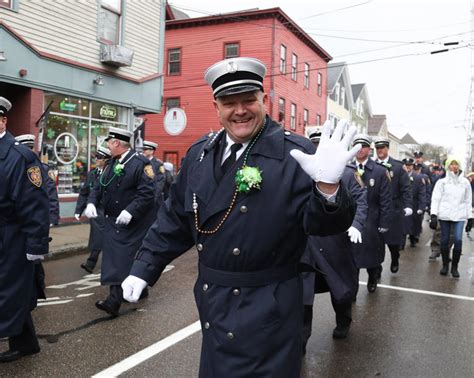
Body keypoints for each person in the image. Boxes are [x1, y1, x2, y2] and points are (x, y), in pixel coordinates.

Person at [121, 57, 360, 377]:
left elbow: (323, 225)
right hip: (214, 302)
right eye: (229, 102)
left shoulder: (297, 154)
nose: (240, 110)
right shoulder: (199, 154)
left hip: (269, 305)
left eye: (249, 100)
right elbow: (175, 219)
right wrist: (143, 267)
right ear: (216, 106)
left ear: (264, 99)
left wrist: (328, 187)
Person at [84, 127, 156, 317]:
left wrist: (130, 210)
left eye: (109, 142)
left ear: (116, 143)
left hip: (132, 222)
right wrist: (91, 202)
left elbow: (148, 193)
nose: (107, 145)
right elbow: (99, 186)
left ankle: (113, 301)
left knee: (121, 258)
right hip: (112, 220)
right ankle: (139, 288)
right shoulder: (111, 163)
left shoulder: (140, 163)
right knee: (118, 257)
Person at [301, 144, 367, 345]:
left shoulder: (347, 174)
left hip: (335, 240)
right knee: (302, 293)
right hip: (306, 242)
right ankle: (301, 338)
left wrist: (356, 224)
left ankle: (343, 320)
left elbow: (361, 201)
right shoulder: (301, 171)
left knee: (340, 288)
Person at [0, 97, 50, 362]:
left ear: (3, 120)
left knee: (9, 290)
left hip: (12, 236)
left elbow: (35, 204)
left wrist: (36, 245)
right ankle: (26, 342)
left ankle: (20, 340)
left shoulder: (21, 157)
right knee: (14, 291)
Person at [15, 133, 60, 300]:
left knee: (33, 259)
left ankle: (36, 290)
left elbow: (49, 195)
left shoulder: (40, 169)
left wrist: (51, 218)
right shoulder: (13, 167)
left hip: (35, 222)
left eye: (29, 149)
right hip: (17, 224)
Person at [350, 134, 392, 293]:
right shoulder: (347, 168)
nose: (360, 150)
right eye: (357, 146)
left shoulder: (380, 171)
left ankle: (372, 278)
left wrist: (384, 223)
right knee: (351, 256)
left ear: (369, 149)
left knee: (372, 254)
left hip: (373, 221)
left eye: (364, 146)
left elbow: (386, 201)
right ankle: (352, 287)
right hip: (352, 220)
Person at [373, 137, 412, 274]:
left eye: (382, 147)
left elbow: (406, 188)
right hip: (377, 208)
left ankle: (395, 258)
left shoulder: (397, 166)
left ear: (387, 148)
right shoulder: (372, 165)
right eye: (377, 148)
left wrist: (407, 205)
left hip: (393, 208)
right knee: (376, 242)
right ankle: (376, 268)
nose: (380, 150)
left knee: (392, 241)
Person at [430, 157, 472, 278]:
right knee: (444, 240)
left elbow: (468, 201)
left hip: (459, 215)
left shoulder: (465, 182)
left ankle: (454, 267)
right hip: (445, 215)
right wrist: (433, 214)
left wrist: (470, 217)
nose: (454, 166)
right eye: (452, 164)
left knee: (458, 240)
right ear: (448, 166)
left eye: (456, 164)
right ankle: (445, 265)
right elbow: (436, 198)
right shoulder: (442, 182)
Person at [75, 146, 111, 273]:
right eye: (96, 157)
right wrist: (78, 210)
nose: (96, 159)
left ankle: (93, 263)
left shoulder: (112, 173)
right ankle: (93, 263)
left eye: (99, 158)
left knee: (103, 238)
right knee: (98, 237)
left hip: (108, 212)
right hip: (95, 211)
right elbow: (84, 193)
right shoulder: (92, 174)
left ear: (107, 160)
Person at [402, 158, 426, 248]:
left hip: (414, 203)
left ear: (412, 166)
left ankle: (413, 239)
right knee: (402, 224)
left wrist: (422, 206)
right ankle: (401, 243)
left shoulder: (418, 177)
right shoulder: (399, 175)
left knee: (413, 224)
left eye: (409, 165)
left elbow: (422, 193)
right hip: (402, 203)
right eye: (406, 165)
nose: (408, 167)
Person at [142, 140, 166, 209]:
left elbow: (161, 181)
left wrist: (154, 197)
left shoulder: (158, 164)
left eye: (145, 149)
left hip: (154, 199)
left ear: (152, 151)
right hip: (143, 197)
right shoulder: (141, 162)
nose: (144, 151)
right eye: (143, 149)